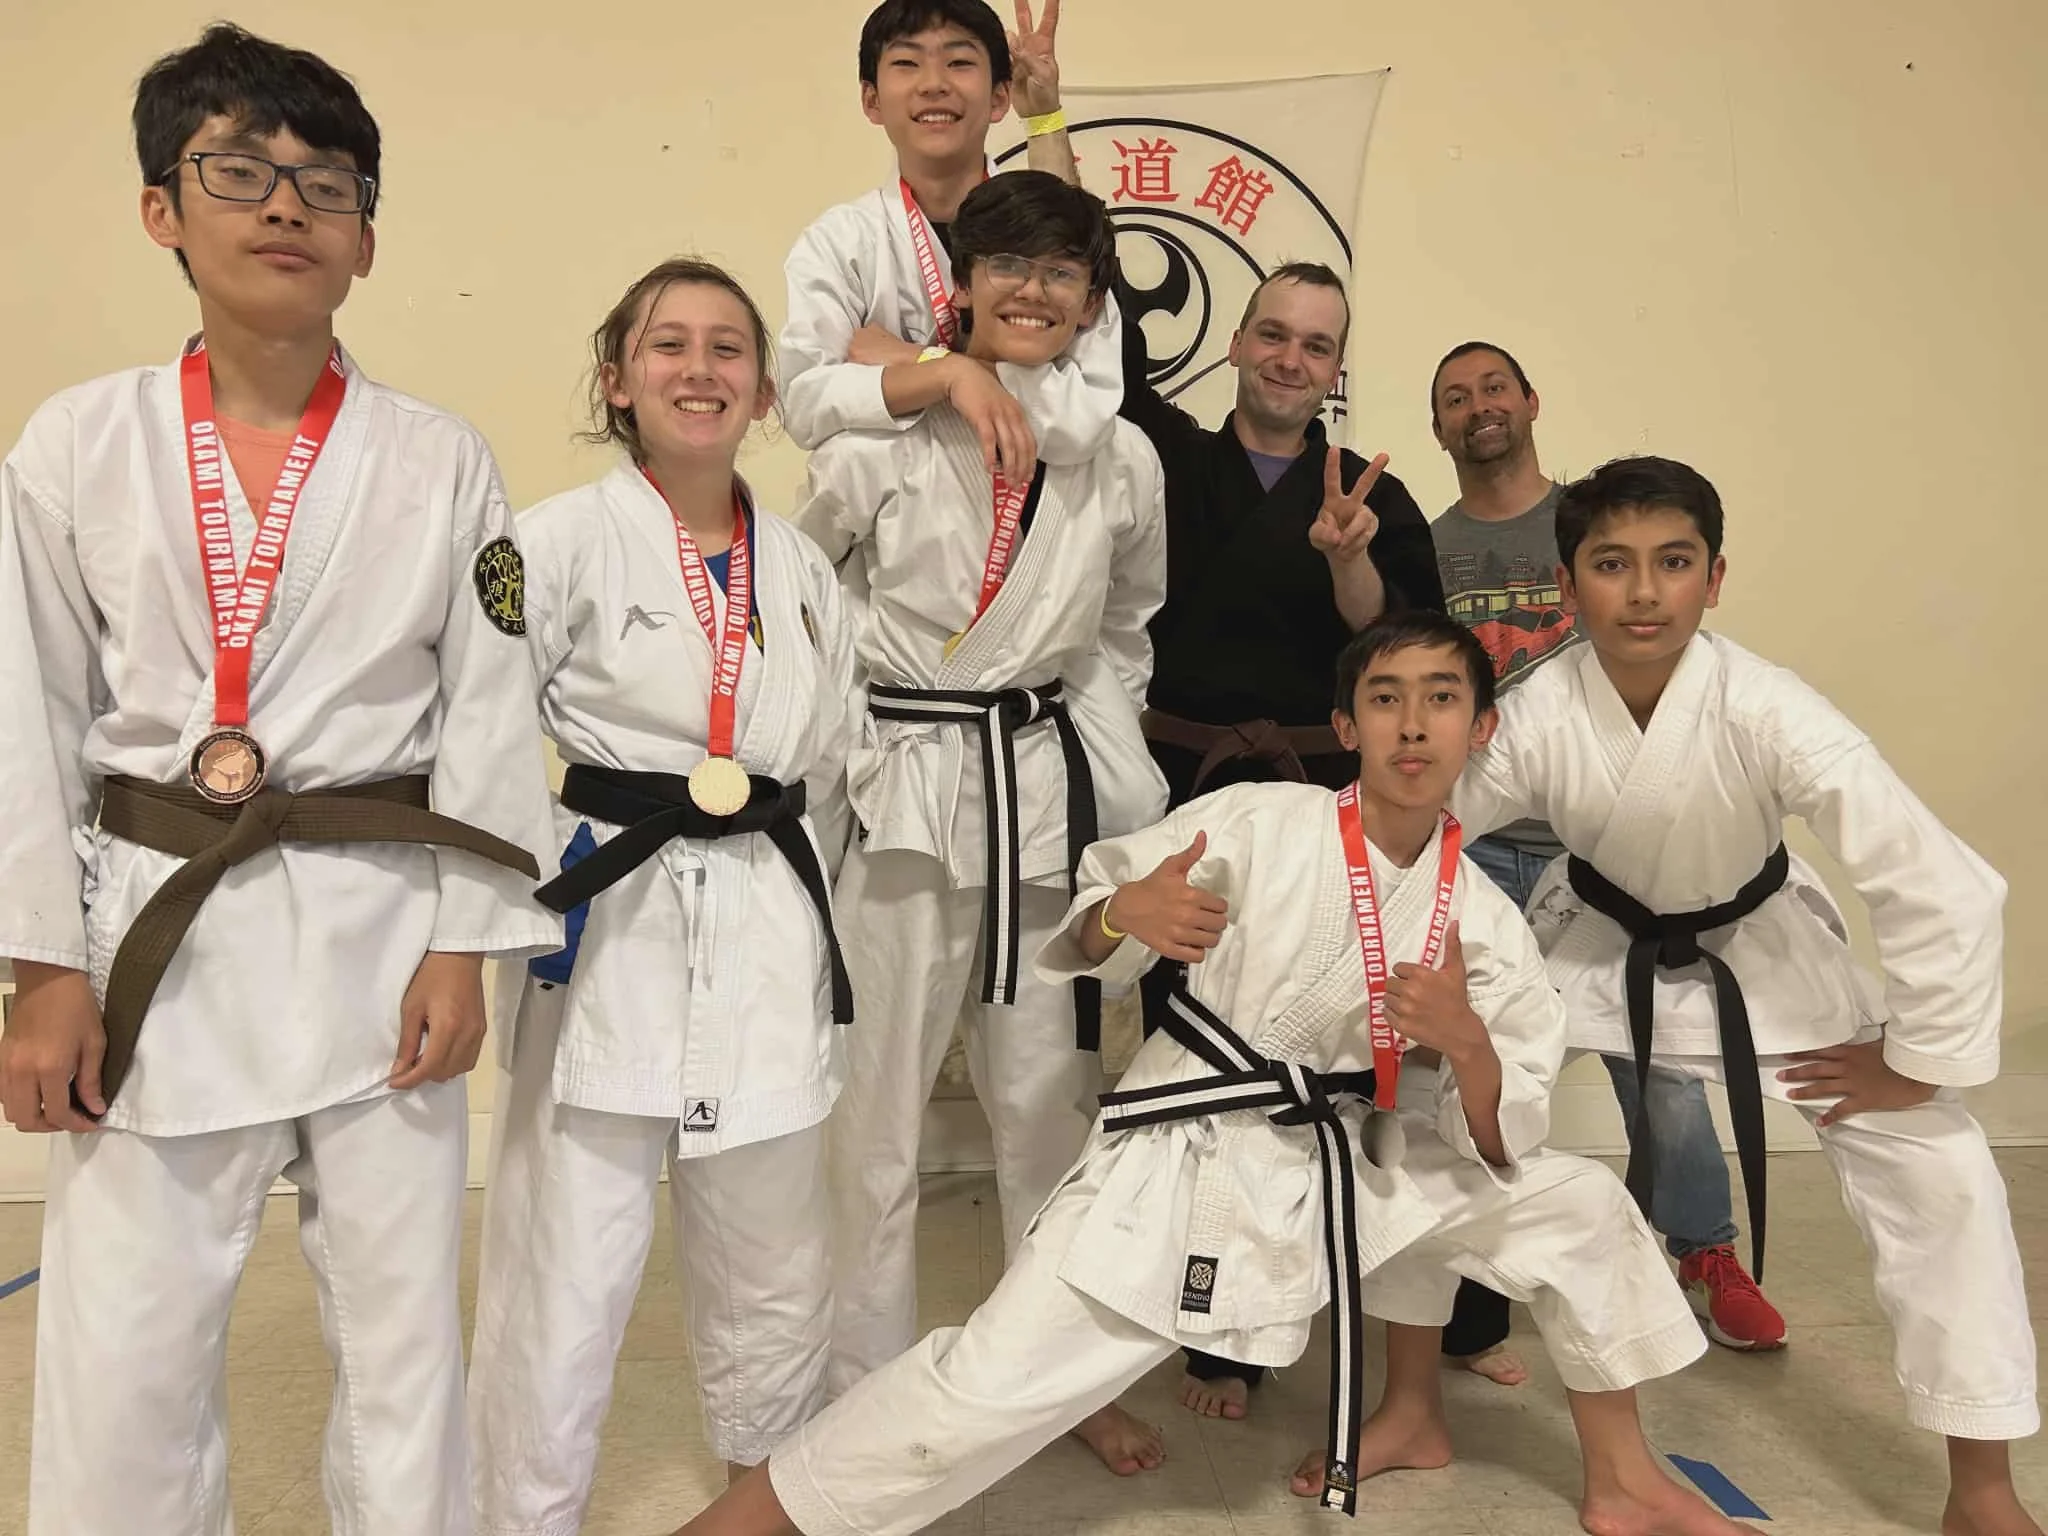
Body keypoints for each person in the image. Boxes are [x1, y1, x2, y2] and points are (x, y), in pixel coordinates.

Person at [663, 610, 1757, 1536]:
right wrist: (1115, 916)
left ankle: (1622, 1480)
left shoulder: (1481, 917)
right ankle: (741, 1523)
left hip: (1347, 1162)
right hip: (1189, 1156)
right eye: (1384, 698)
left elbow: (1500, 1128)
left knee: (1574, 1203)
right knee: (985, 1387)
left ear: (1482, 726)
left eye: (1439, 698)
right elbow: (1100, 910)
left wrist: (1466, 1047)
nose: (1412, 723)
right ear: (1345, 726)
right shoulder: (1259, 822)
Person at [0, 24, 559, 1534]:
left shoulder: (441, 459)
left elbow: (493, 709)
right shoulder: (76, 443)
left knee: (399, 1346)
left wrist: (466, 942)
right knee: (125, 1341)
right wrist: (38, 964)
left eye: (326, 183)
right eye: (240, 170)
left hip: (382, 934)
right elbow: (28, 715)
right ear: (161, 208)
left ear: (367, 242)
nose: (286, 207)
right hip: (154, 936)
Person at [1454, 454, 2040, 1536]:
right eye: (1611, 564)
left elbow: (1933, 879)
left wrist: (1914, 1059)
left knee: (1946, 1168)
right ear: (1566, 583)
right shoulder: (1534, 714)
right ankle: (1468, 1406)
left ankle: (1982, 1485)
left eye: (1670, 563)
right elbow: (1424, 827)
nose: (1641, 592)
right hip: (1594, 950)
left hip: (1757, 955)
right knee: (1453, 1128)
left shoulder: (1770, 710)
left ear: (1711, 579)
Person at [466, 260, 861, 1530]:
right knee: (562, 1261)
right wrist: (526, 901)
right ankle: (524, 1512)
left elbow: (837, 757)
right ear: (618, 379)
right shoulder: (548, 541)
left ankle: (769, 1490)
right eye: (668, 346)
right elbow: (475, 738)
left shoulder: (802, 569)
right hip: (609, 920)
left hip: (763, 918)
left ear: (761, 389)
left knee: (774, 1252)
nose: (700, 370)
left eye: (729, 349)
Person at [793, 169, 1168, 1473]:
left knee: (1046, 1103)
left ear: (1090, 305)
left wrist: (1114, 793)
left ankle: (1050, 1384)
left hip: (1040, 799)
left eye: (1061, 273)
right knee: (877, 1109)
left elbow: (1123, 635)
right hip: (899, 788)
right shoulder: (878, 438)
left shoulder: (1121, 459)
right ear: (963, 286)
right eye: (1006, 264)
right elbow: (808, 613)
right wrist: (841, 774)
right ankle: (870, 1383)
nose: (1031, 289)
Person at [1112, 262, 1519, 1416]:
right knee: (1204, 1050)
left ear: (1336, 370)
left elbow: (1397, 648)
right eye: (1273, 336)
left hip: (1326, 791)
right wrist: (1041, 109)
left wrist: (1345, 553)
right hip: (1188, 784)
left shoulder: (1368, 494)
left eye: (1317, 345)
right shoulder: (1170, 460)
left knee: (1370, 1045)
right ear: (1236, 345)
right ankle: (1224, 1323)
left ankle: (1435, 1304)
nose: (1292, 359)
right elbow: (1093, 301)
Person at [1429, 341, 1785, 1358]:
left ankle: (1702, 1252)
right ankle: (1469, 1279)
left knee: (1660, 1055)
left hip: (1605, 841)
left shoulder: (1598, 519)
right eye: (1454, 398)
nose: (1478, 407)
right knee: (1476, 1050)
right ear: (1437, 428)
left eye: (1493, 386)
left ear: (1530, 401)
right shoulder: (1433, 537)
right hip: (1488, 833)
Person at [779, 0, 1121, 482]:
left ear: (1000, 96)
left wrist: (919, 361)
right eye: (906, 62)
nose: (934, 83)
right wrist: (950, 376)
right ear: (871, 100)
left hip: (1047, 509)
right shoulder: (839, 244)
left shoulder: (1052, 252)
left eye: (959, 62)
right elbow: (806, 404)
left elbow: (1086, 411)